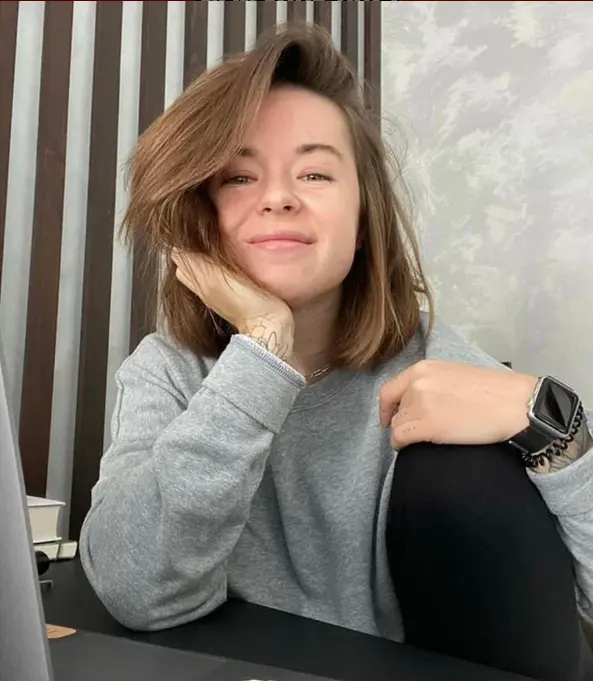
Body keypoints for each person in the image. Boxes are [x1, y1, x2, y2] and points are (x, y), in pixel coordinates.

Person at [79, 24, 593, 681]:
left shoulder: (431, 359)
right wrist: (263, 344)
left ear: (361, 223)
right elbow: (137, 589)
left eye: (315, 172)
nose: (278, 197)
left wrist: (554, 423)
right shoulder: (169, 370)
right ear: (202, 220)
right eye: (239, 176)